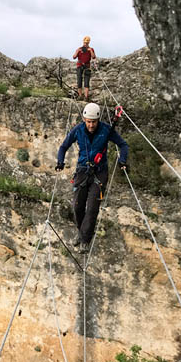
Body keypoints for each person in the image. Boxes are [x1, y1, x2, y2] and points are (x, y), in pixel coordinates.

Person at [55, 102, 128, 253]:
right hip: (82, 170)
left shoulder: (106, 130)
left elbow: (123, 144)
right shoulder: (78, 130)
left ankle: (85, 240)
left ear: (98, 120)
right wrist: (60, 162)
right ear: (84, 119)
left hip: (99, 172)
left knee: (92, 208)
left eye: (94, 122)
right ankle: (82, 233)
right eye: (88, 121)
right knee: (77, 206)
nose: (91, 125)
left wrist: (122, 160)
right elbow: (63, 146)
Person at [72, 36, 97, 101]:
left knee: (86, 81)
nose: (85, 44)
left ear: (88, 43)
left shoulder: (91, 49)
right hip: (80, 65)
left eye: (87, 43)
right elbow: (74, 57)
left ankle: (86, 97)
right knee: (79, 80)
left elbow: (93, 57)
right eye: (85, 43)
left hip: (87, 66)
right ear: (83, 42)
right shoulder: (79, 49)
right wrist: (77, 51)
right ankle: (80, 96)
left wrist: (90, 50)